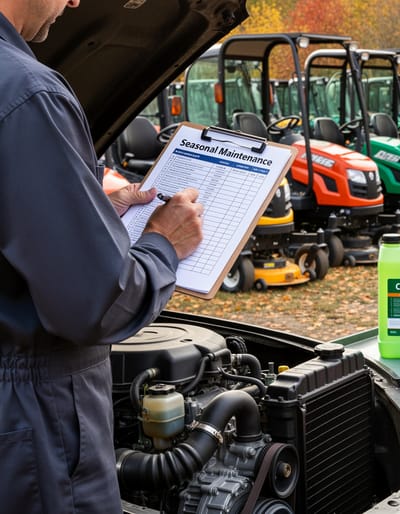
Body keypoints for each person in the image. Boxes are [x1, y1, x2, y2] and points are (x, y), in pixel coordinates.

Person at [0, 1, 204, 512]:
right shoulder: (27, 92)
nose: (73, 1)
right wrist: (164, 241)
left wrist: (84, 210)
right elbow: (97, 304)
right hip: (30, 425)